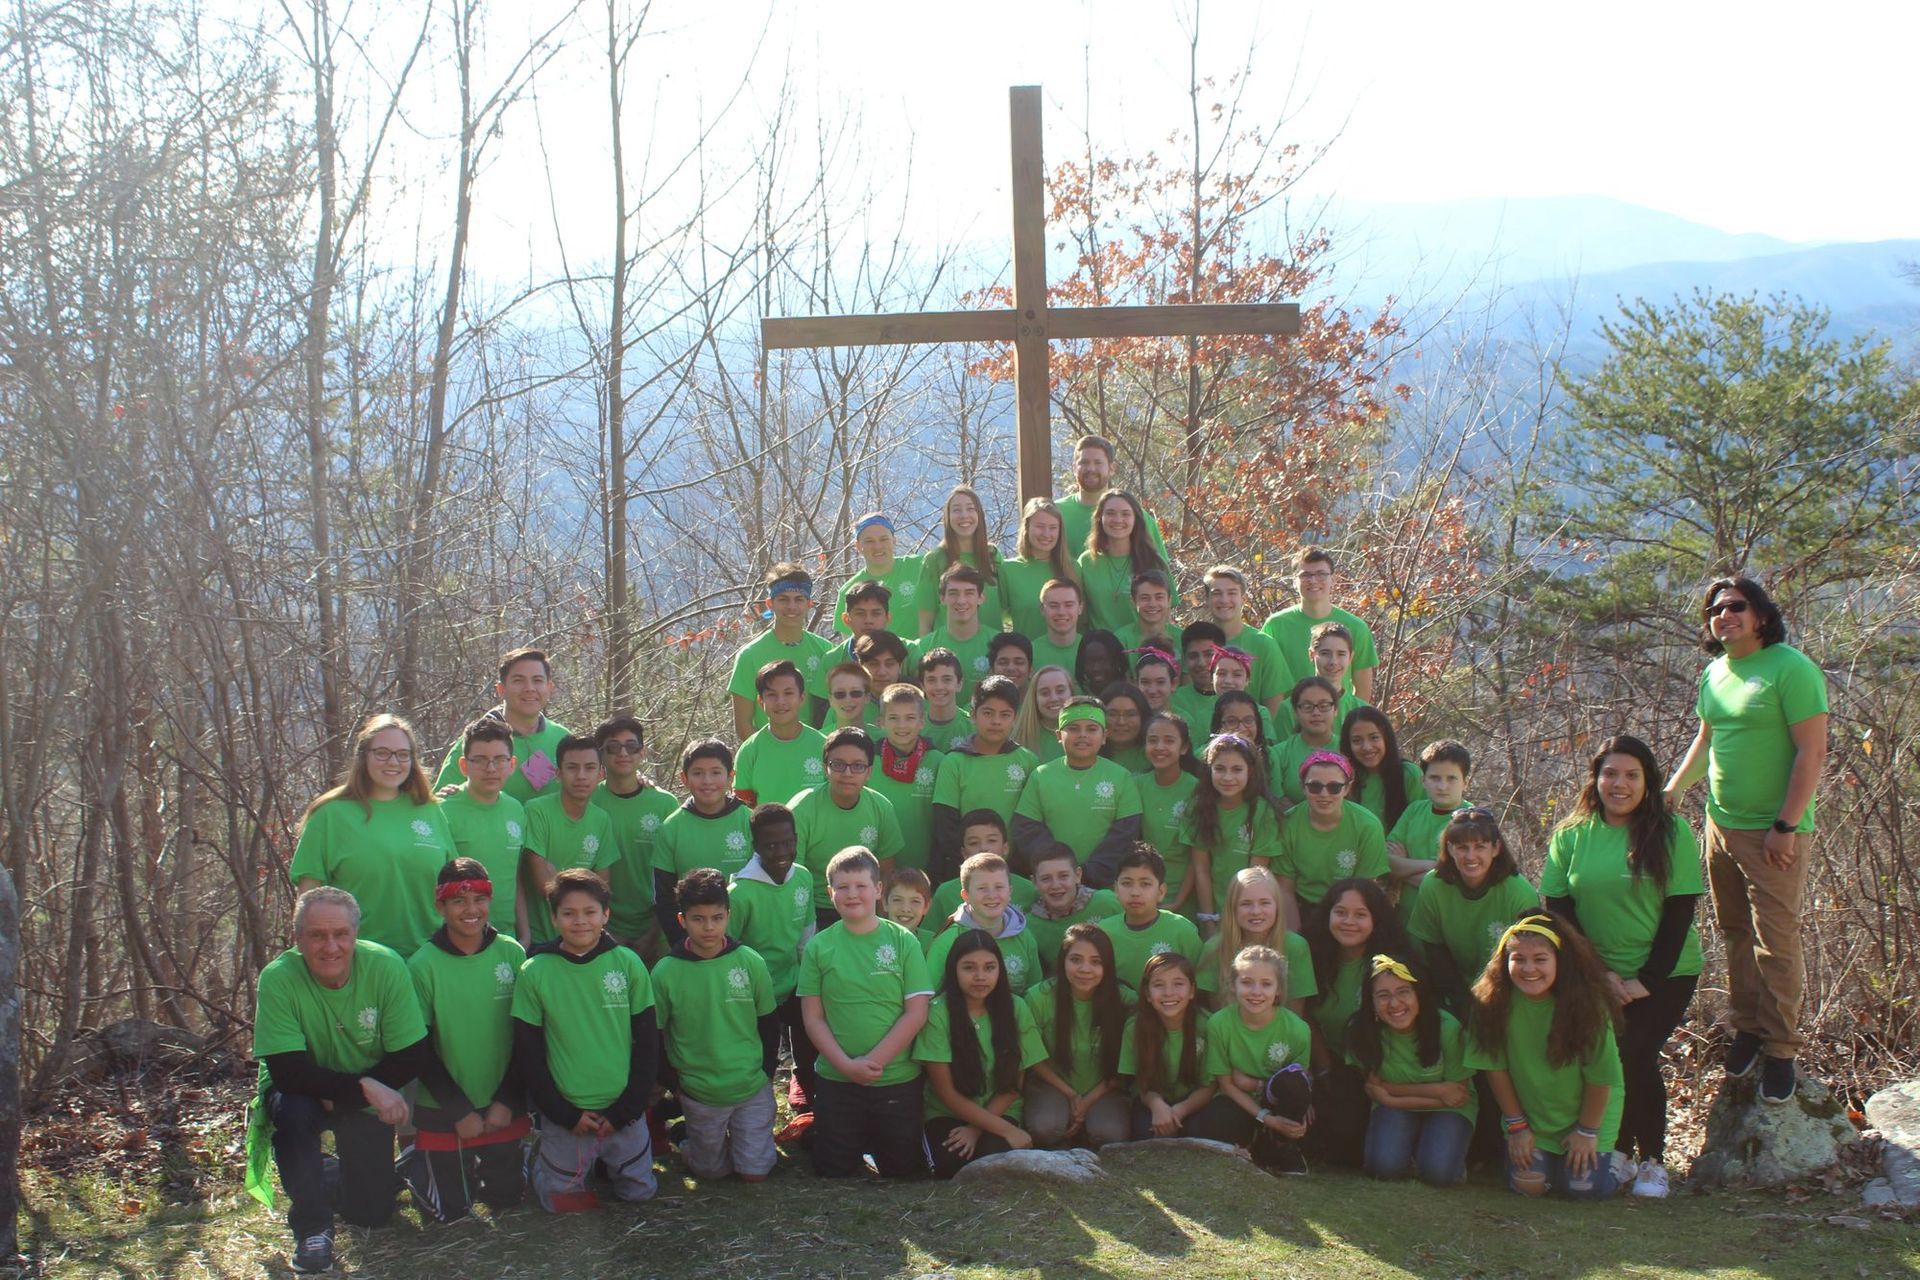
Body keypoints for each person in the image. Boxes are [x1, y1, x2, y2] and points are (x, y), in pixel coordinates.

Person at [1665, 574, 1827, 1103]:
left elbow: (1812, 753)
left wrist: (1785, 825)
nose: (1724, 615)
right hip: (1721, 825)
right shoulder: (1715, 673)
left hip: (1774, 833)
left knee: (1776, 941)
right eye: (1715, 608)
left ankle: (1781, 1049)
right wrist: (1671, 790)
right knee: (1735, 931)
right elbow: (1707, 737)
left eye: (1736, 606)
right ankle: (1748, 1029)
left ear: (1760, 614)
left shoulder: (1792, 670)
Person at [1546, 735, 1704, 1198]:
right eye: (1610, 773)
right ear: (1595, 779)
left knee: (1634, 1055)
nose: (1620, 784)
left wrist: (1644, 982)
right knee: (1608, 1061)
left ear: (1648, 781)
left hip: (1666, 974)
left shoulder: (1672, 833)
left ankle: (1653, 1159)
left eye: (1631, 775)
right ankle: (1618, 1153)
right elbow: (1560, 911)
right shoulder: (1571, 835)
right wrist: (1600, 975)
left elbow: (1680, 915)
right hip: (1597, 975)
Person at [250, 888, 431, 1273]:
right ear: (298, 938)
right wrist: (363, 1088)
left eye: (340, 934)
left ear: (355, 934)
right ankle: (312, 1227)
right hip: (304, 1091)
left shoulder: (385, 966)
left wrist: (352, 1093)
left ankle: (327, 1171)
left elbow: (411, 1055)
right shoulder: (279, 979)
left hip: (363, 1092)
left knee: (372, 1212)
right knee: (295, 1113)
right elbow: (288, 1072)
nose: (330, 946)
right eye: (316, 935)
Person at [511, 870, 659, 1213]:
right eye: (568, 913)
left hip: (623, 1112)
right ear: (553, 918)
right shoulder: (534, 971)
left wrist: (626, 1110)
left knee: (639, 1194)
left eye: (590, 912)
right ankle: (544, 1160)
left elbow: (648, 1043)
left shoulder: (628, 963)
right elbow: (529, 1054)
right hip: (568, 1114)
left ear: (606, 914)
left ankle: (612, 1162)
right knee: (563, 1204)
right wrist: (564, 1113)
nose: (580, 922)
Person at [1464, 913, 1627, 1200]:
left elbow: (1601, 1078)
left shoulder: (1589, 1007)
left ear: (1560, 961)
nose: (1529, 969)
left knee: (1581, 1190)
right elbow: (1496, 1070)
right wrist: (1517, 1127)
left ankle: (1617, 1164)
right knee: (1529, 1186)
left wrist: (1587, 1132)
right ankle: (1552, 1162)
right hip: (1532, 1117)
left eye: (1540, 959)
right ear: (1505, 961)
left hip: (1589, 1112)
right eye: (1518, 959)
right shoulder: (1491, 1003)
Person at [400, 860, 529, 1222]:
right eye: (458, 901)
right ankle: (417, 1162)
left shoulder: (512, 954)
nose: (470, 910)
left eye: (479, 899)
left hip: (503, 1105)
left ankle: (510, 1157)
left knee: (508, 1198)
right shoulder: (422, 965)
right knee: (451, 1212)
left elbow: (527, 1038)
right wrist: (458, 1109)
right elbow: (418, 1049)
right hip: (446, 1108)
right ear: (439, 906)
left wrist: (507, 1099)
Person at [798, 847, 934, 1178]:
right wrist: (847, 1066)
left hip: (895, 1078)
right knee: (833, 1169)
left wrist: (873, 1063)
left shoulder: (903, 942)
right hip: (837, 1078)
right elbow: (813, 1018)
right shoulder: (819, 946)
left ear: (878, 890)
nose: (852, 894)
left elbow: (916, 1013)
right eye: (842, 887)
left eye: (861, 886)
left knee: (902, 1170)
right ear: (830, 894)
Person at [293, 713, 456, 958]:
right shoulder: (330, 815)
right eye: (382, 753)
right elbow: (308, 903)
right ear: (363, 756)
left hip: (429, 959)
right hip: (358, 963)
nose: (393, 762)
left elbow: (452, 886)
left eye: (403, 755)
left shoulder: (430, 811)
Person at [653, 869, 780, 1182]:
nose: (709, 927)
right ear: (682, 920)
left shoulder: (750, 962)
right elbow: (654, 1035)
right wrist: (676, 1084)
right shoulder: (665, 972)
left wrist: (765, 1071)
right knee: (711, 1173)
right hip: (699, 1091)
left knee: (754, 1173)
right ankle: (685, 1138)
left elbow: (768, 1023)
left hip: (750, 1085)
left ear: (728, 916)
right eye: (698, 919)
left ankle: (748, 1141)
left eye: (717, 917)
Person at [914, 930, 1047, 1178]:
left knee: (994, 1162)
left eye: (989, 967)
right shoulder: (938, 1013)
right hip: (948, 1111)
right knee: (949, 1164)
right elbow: (945, 1092)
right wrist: (1003, 1130)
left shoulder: (1016, 1007)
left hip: (1001, 1108)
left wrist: (977, 1129)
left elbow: (1012, 1086)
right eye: (969, 968)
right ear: (954, 970)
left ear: (1000, 970)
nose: (980, 977)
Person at [1302, 877, 1409, 1166]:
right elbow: (1304, 1015)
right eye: (1340, 913)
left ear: (1377, 919)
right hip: (1325, 1064)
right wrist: (1324, 1069)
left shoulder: (1392, 965)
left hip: (1376, 1071)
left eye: (1360, 914)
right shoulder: (1312, 956)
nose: (1349, 921)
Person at [1347, 952, 1476, 1187]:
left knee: (1439, 1174)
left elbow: (1457, 1095)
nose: (1395, 1004)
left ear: (1419, 994)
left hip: (1447, 1110)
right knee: (1383, 1168)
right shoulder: (1362, 1032)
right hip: (1399, 1107)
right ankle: (1412, 1152)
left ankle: (1438, 1156)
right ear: (1371, 1002)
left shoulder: (1446, 1027)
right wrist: (1438, 1090)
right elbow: (1374, 1088)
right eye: (1383, 995)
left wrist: (1391, 1094)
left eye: (1403, 992)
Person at [1192, 945, 1315, 1173]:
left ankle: (1281, 1146)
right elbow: (1226, 1085)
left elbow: (1299, 1081)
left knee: (1295, 1087)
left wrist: (1291, 1108)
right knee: (1214, 1128)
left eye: (1266, 984)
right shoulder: (1219, 1024)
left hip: (1276, 1100)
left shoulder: (1298, 1029)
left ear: (1278, 990)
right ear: (1233, 985)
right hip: (1237, 1099)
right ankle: (1252, 1142)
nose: (1256, 991)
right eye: (1247, 982)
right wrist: (1266, 1119)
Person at [728, 804, 816, 1115]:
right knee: (761, 1052)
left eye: (788, 842)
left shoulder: (802, 878)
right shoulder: (739, 892)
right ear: (756, 847)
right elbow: (728, 949)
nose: (782, 851)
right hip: (754, 991)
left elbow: (807, 932)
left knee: (809, 1028)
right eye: (771, 845)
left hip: (793, 979)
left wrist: (809, 979)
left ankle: (804, 1081)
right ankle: (755, 1100)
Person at [1406, 809, 1542, 1011]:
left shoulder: (1520, 893)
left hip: (1507, 988)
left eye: (1480, 847)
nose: (1471, 856)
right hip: (1451, 987)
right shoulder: (1433, 885)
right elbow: (1433, 949)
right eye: (1462, 847)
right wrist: (1461, 1003)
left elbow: (1529, 956)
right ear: (1450, 849)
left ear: (1495, 848)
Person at [1012, 698, 1144, 886]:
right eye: (1073, 728)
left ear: (1105, 736)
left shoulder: (1121, 777)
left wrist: (1090, 872)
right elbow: (1027, 830)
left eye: (1091, 729)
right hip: (1054, 884)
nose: (1082, 735)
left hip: (1104, 885)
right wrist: (1060, 871)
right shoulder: (1040, 776)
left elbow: (1125, 835)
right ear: (1058, 735)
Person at [1024, 923, 1132, 1148]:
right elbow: (1034, 1059)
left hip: (1105, 1088)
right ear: (1062, 960)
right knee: (1045, 1127)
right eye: (1075, 960)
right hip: (1053, 1085)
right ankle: (1069, 1131)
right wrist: (1072, 1095)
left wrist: (1087, 1101)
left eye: (1096, 962)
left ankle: (1083, 1129)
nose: (1085, 969)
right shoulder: (1039, 997)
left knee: (1110, 1135)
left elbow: (1129, 1060)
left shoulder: (1125, 999)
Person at [790, 727, 905, 929]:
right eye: (838, 765)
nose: (847, 773)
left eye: (858, 766)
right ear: (825, 767)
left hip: (864, 907)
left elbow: (886, 871)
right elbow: (793, 877)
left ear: (869, 771)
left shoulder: (881, 807)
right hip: (814, 910)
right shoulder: (801, 810)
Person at [928, 678, 1036, 885]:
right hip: (966, 869)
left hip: (1014, 869)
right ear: (972, 715)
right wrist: (970, 864)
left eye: (1005, 715)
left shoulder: (1028, 761)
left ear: (1015, 718)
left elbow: (1031, 822)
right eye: (988, 713)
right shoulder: (954, 762)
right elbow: (946, 825)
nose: (996, 721)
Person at [433, 647, 573, 805]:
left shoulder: (563, 739)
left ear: (550, 688)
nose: (529, 688)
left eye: (537, 680)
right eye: (518, 680)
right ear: (501, 689)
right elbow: (440, 807)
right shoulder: (474, 744)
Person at [590, 715, 680, 955]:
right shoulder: (588, 802)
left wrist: (654, 931)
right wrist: (603, 929)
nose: (623, 753)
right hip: (600, 927)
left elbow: (675, 875)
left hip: (657, 926)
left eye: (631, 746)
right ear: (601, 754)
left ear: (643, 752)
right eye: (613, 747)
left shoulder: (666, 804)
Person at [652, 740, 754, 946]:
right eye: (698, 773)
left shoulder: (750, 821)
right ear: (684, 779)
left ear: (730, 777)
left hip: (745, 942)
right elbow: (664, 896)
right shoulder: (671, 828)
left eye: (716, 772)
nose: (707, 781)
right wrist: (684, 944)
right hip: (688, 943)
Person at [520, 735, 620, 946]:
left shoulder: (601, 820)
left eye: (590, 767)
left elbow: (601, 889)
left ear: (601, 774)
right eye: (572, 767)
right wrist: (585, 886)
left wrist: (554, 873)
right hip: (542, 940)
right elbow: (541, 885)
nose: (581, 776)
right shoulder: (537, 810)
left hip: (587, 939)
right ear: (558, 774)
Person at [1274, 751, 1390, 930]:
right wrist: (1297, 942)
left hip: (1350, 909)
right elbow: (1285, 891)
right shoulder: (1288, 824)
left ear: (1347, 788)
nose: (1324, 794)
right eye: (1314, 786)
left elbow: (1365, 891)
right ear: (1302, 787)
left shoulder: (1368, 826)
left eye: (1334, 787)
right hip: (1302, 907)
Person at [1179, 733, 1284, 925]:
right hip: (1213, 911)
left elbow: (1256, 875)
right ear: (1209, 770)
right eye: (1220, 769)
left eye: (1237, 769)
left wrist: (1239, 919)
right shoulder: (1198, 808)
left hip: (1250, 911)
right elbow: (1201, 869)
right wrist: (1209, 919)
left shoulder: (1262, 812)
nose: (1228, 777)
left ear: (1250, 772)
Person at [438, 717, 527, 936]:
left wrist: (525, 934)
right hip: (459, 939)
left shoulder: (516, 810)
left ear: (512, 764)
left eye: (499, 759)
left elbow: (515, 876)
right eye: (480, 760)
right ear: (463, 765)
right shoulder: (442, 810)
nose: (490, 768)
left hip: (508, 939)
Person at [727, 563, 836, 740]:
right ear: (770, 604)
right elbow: (743, 725)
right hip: (770, 757)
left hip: (818, 757)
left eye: (799, 599)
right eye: (783, 599)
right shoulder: (749, 656)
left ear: (809, 604)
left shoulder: (825, 651)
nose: (791, 606)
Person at [1260, 547, 1380, 700]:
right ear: (1294, 581)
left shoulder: (1356, 627)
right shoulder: (1275, 626)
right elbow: (1267, 682)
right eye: (1305, 575)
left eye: (1321, 574)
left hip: (1339, 720)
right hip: (1290, 720)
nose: (1313, 580)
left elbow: (1362, 692)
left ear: (1333, 580)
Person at [1120, 952, 1215, 1139]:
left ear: (1192, 991)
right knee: (1144, 1133)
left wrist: (1179, 1111)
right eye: (1158, 985)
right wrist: (1157, 1106)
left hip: (1194, 1101)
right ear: (1147, 993)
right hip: (1152, 1099)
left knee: (1197, 1133)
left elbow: (1209, 1086)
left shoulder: (1207, 1025)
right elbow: (1140, 1083)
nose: (1168, 993)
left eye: (1178, 984)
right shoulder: (1135, 1027)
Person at [1197, 867, 1315, 1016]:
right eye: (1246, 903)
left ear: (1278, 906)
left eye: (1265, 903)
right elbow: (1216, 1012)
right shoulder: (1214, 948)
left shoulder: (1296, 946)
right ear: (1232, 907)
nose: (1256, 911)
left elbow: (1295, 1014)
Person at [925, 851, 1043, 996]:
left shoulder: (1024, 938)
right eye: (982, 888)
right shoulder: (947, 941)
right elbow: (928, 996)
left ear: (1010, 892)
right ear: (966, 896)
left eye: (999, 887)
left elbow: (1034, 993)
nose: (992, 895)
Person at [1385, 740, 1475, 926]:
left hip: (1451, 923)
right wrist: (1436, 865)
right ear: (1423, 780)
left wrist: (1405, 870)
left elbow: (1455, 881)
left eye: (1451, 778)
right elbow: (1388, 864)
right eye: (1435, 778)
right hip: (1407, 921)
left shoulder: (1473, 820)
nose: (1442, 786)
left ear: (1465, 782)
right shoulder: (1414, 811)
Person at [1053, 434, 1172, 566]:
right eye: (1084, 462)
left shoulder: (1134, 516)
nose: (1091, 468)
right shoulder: (1055, 513)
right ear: (1074, 468)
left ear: (1111, 469)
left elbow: (1161, 572)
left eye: (1098, 463)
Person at [1097, 844, 1203, 990]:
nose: (1135, 892)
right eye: (1126, 883)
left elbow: (1197, 987)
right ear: (1116, 889)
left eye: (1145, 884)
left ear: (1161, 891)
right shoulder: (1103, 932)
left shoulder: (1183, 931)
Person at [868, 684, 944, 873]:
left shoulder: (938, 761)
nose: (902, 725)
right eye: (893, 718)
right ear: (881, 722)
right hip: (876, 869)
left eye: (910, 718)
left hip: (926, 868)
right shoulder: (868, 762)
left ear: (922, 721)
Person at [733, 661, 828, 807]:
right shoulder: (749, 751)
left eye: (788, 693)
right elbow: (743, 809)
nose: (780, 701)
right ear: (760, 700)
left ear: (801, 698)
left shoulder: (824, 746)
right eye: (772, 695)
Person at [916, 485, 1007, 636]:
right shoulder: (934, 560)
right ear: (948, 517)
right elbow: (925, 622)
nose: (964, 515)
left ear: (979, 515)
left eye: (970, 509)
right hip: (949, 654)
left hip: (992, 650)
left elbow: (1005, 608)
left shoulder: (993, 555)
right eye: (957, 510)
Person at [1136, 711, 1201, 916]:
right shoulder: (1135, 784)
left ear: (1184, 748)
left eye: (1169, 741)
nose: (1160, 747)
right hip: (1142, 892)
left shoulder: (1196, 790)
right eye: (1152, 740)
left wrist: (1177, 902)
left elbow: (1196, 857)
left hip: (1183, 896)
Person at [1200, 567, 1288, 715]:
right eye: (1217, 593)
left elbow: (1274, 711)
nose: (1224, 600)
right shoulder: (1197, 644)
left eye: (1232, 593)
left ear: (1243, 599)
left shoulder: (1264, 645)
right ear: (1207, 599)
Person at [1076, 490, 1166, 634]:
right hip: (1100, 648)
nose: (1118, 520)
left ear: (1136, 519)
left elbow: (1166, 614)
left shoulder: (1153, 562)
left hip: (1142, 646)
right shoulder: (1086, 562)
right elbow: (1079, 614)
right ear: (1100, 518)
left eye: (1125, 514)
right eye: (1110, 513)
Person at [927, 812, 1042, 921]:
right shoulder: (945, 893)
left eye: (991, 840)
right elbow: (931, 935)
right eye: (973, 843)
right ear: (964, 852)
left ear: (1005, 848)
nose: (983, 848)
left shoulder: (1029, 890)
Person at [908, 562, 997, 702]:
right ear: (942, 598)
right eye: (953, 593)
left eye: (969, 593)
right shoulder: (923, 647)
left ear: (981, 598)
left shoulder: (999, 644)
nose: (961, 601)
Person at [1024, 842, 1122, 963]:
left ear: (1078, 875)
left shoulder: (1108, 903)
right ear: (1034, 882)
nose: (1055, 885)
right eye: (1046, 879)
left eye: (1063, 876)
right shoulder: (1029, 926)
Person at [833, 513, 922, 637]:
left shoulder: (920, 566)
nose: (878, 546)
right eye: (869, 541)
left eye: (884, 539)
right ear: (858, 546)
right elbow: (850, 644)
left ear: (894, 540)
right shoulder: (848, 591)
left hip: (925, 655)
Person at [1003, 497, 1080, 641]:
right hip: (1026, 658)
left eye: (1052, 528)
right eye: (1040, 526)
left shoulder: (1073, 568)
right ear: (1027, 527)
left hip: (1071, 655)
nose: (1046, 534)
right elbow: (997, 618)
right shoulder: (1008, 570)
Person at [1341, 707, 1419, 832]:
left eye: (1374, 738)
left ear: (1386, 738)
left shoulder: (1409, 774)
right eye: (1357, 741)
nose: (1366, 747)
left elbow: (1423, 821)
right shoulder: (1344, 778)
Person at [1271, 677, 1343, 806]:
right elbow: (1277, 802)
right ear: (1295, 712)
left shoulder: (1348, 749)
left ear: (1336, 710)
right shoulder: (1278, 754)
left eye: (1324, 706)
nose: (1316, 712)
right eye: (1307, 707)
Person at [1012, 664, 1075, 765]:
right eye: (1045, 693)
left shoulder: (1088, 734)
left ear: (1071, 693)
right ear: (1034, 698)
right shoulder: (1018, 737)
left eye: (1060, 691)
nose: (1054, 698)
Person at [1114, 570, 1183, 658]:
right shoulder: (1121, 639)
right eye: (1145, 598)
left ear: (1169, 601)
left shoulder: (1182, 638)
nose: (1152, 604)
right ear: (1133, 602)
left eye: (1159, 597)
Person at [918, 648, 974, 753]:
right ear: (922, 686)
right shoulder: (913, 728)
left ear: (959, 684)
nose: (939, 687)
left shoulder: (974, 727)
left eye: (947, 679)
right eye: (931, 680)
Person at [1030, 578, 1087, 678]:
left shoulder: (1091, 648)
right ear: (1042, 610)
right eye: (1053, 605)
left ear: (1080, 608)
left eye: (1069, 605)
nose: (1061, 612)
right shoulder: (1030, 653)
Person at [1099, 682, 1152, 774]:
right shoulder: (1087, 754)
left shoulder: (1155, 754)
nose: (1121, 722)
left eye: (1130, 714)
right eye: (1112, 714)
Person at [855, 631, 912, 715]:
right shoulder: (848, 704)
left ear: (900, 666)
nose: (882, 672)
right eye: (874, 664)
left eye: (889, 664)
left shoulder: (919, 705)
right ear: (861, 666)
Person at [884, 866, 937, 950]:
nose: (905, 909)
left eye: (915, 901)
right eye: (897, 900)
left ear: (926, 906)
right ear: (885, 903)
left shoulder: (934, 943)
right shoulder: (871, 940)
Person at [836, 580, 895, 655]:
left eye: (876, 613)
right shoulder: (832, 660)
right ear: (846, 619)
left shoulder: (909, 654)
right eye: (860, 614)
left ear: (887, 618)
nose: (868, 620)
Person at [1073, 630, 1127, 702]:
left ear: (1116, 661)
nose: (1096, 668)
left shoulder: (1130, 697)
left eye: (1102, 661)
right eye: (1090, 662)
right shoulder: (1076, 698)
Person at [823, 661, 873, 731]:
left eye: (855, 693)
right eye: (840, 694)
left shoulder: (884, 739)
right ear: (830, 699)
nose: (848, 699)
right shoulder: (818, 740)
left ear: (867, 697)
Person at [1132, 647, 1181, 718]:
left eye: (1160, 682)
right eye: (1145, 682)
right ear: (1136, 684)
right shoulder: (1128, 719)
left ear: (1173, 684)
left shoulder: (1184, 720)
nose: (1152, 691)